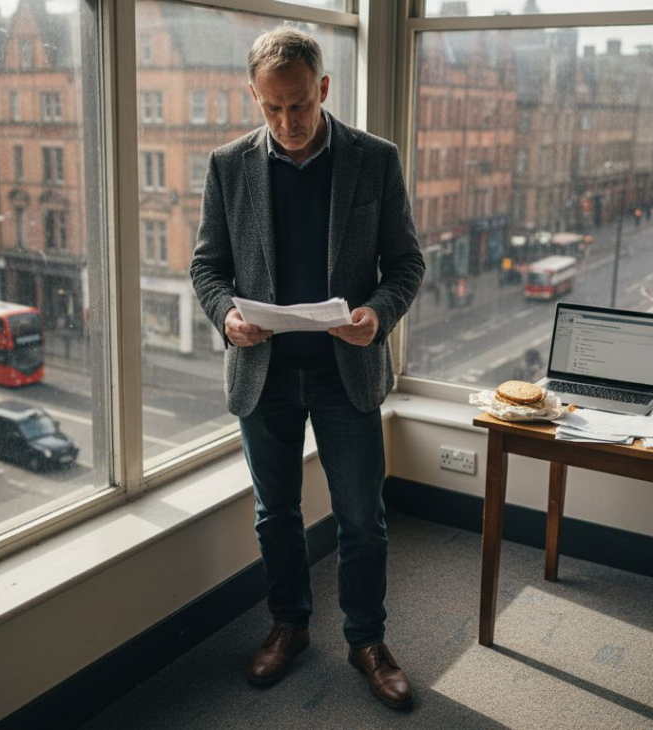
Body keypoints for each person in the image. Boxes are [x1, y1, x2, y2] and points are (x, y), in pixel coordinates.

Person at [190, 28, 424, 710]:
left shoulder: (372, 160)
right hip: (262, 374)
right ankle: (288, 626)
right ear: (255, 100)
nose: (286, 122)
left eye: (297, 104)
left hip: (342, 373)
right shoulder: (227, 165)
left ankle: (366, 641)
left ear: (322, 89)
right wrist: (225, 320)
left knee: (361, 518)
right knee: (276, 515)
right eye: (271, 108)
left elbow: (405, 264)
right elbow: (208, 267)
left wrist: (377, 315)